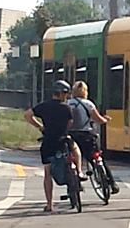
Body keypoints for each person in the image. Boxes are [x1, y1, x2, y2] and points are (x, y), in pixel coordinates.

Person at [25, 80, 80, 212]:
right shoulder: (66, 108)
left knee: (48, 172)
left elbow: (27, 115)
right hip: (63, 141)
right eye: (66, 95)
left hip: (48, 141)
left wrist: (40, 127)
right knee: (76, 151)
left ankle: (49, 204)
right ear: (62, 94)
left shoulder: (44, 106)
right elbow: (70, 123)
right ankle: (78, 171)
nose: (66, 97)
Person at [67, 80, 112, 177]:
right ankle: (111, 183)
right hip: (86, 135)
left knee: (70, 158)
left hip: (71, 135)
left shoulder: (67, 103)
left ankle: (73, 185)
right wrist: (105, 120)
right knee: (96, 157)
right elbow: (98, 119)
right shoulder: (88, 104)